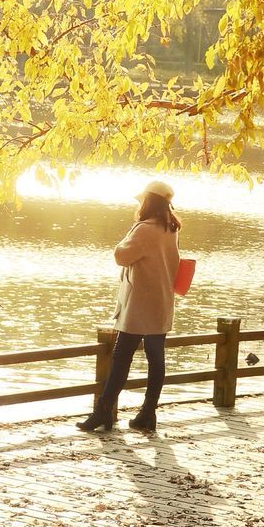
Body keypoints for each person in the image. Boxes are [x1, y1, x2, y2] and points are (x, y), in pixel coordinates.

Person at [76, 180, 181, 433]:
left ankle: (103, 412)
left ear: (148, 202)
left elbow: (120, 255)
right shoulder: (171, 227)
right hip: (161, 302)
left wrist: (132, 229)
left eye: (142, 200)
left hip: (139, 304)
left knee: (121, 357)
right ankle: (148, 412)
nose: (139, 204)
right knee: (156, 358)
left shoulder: (144, 229)